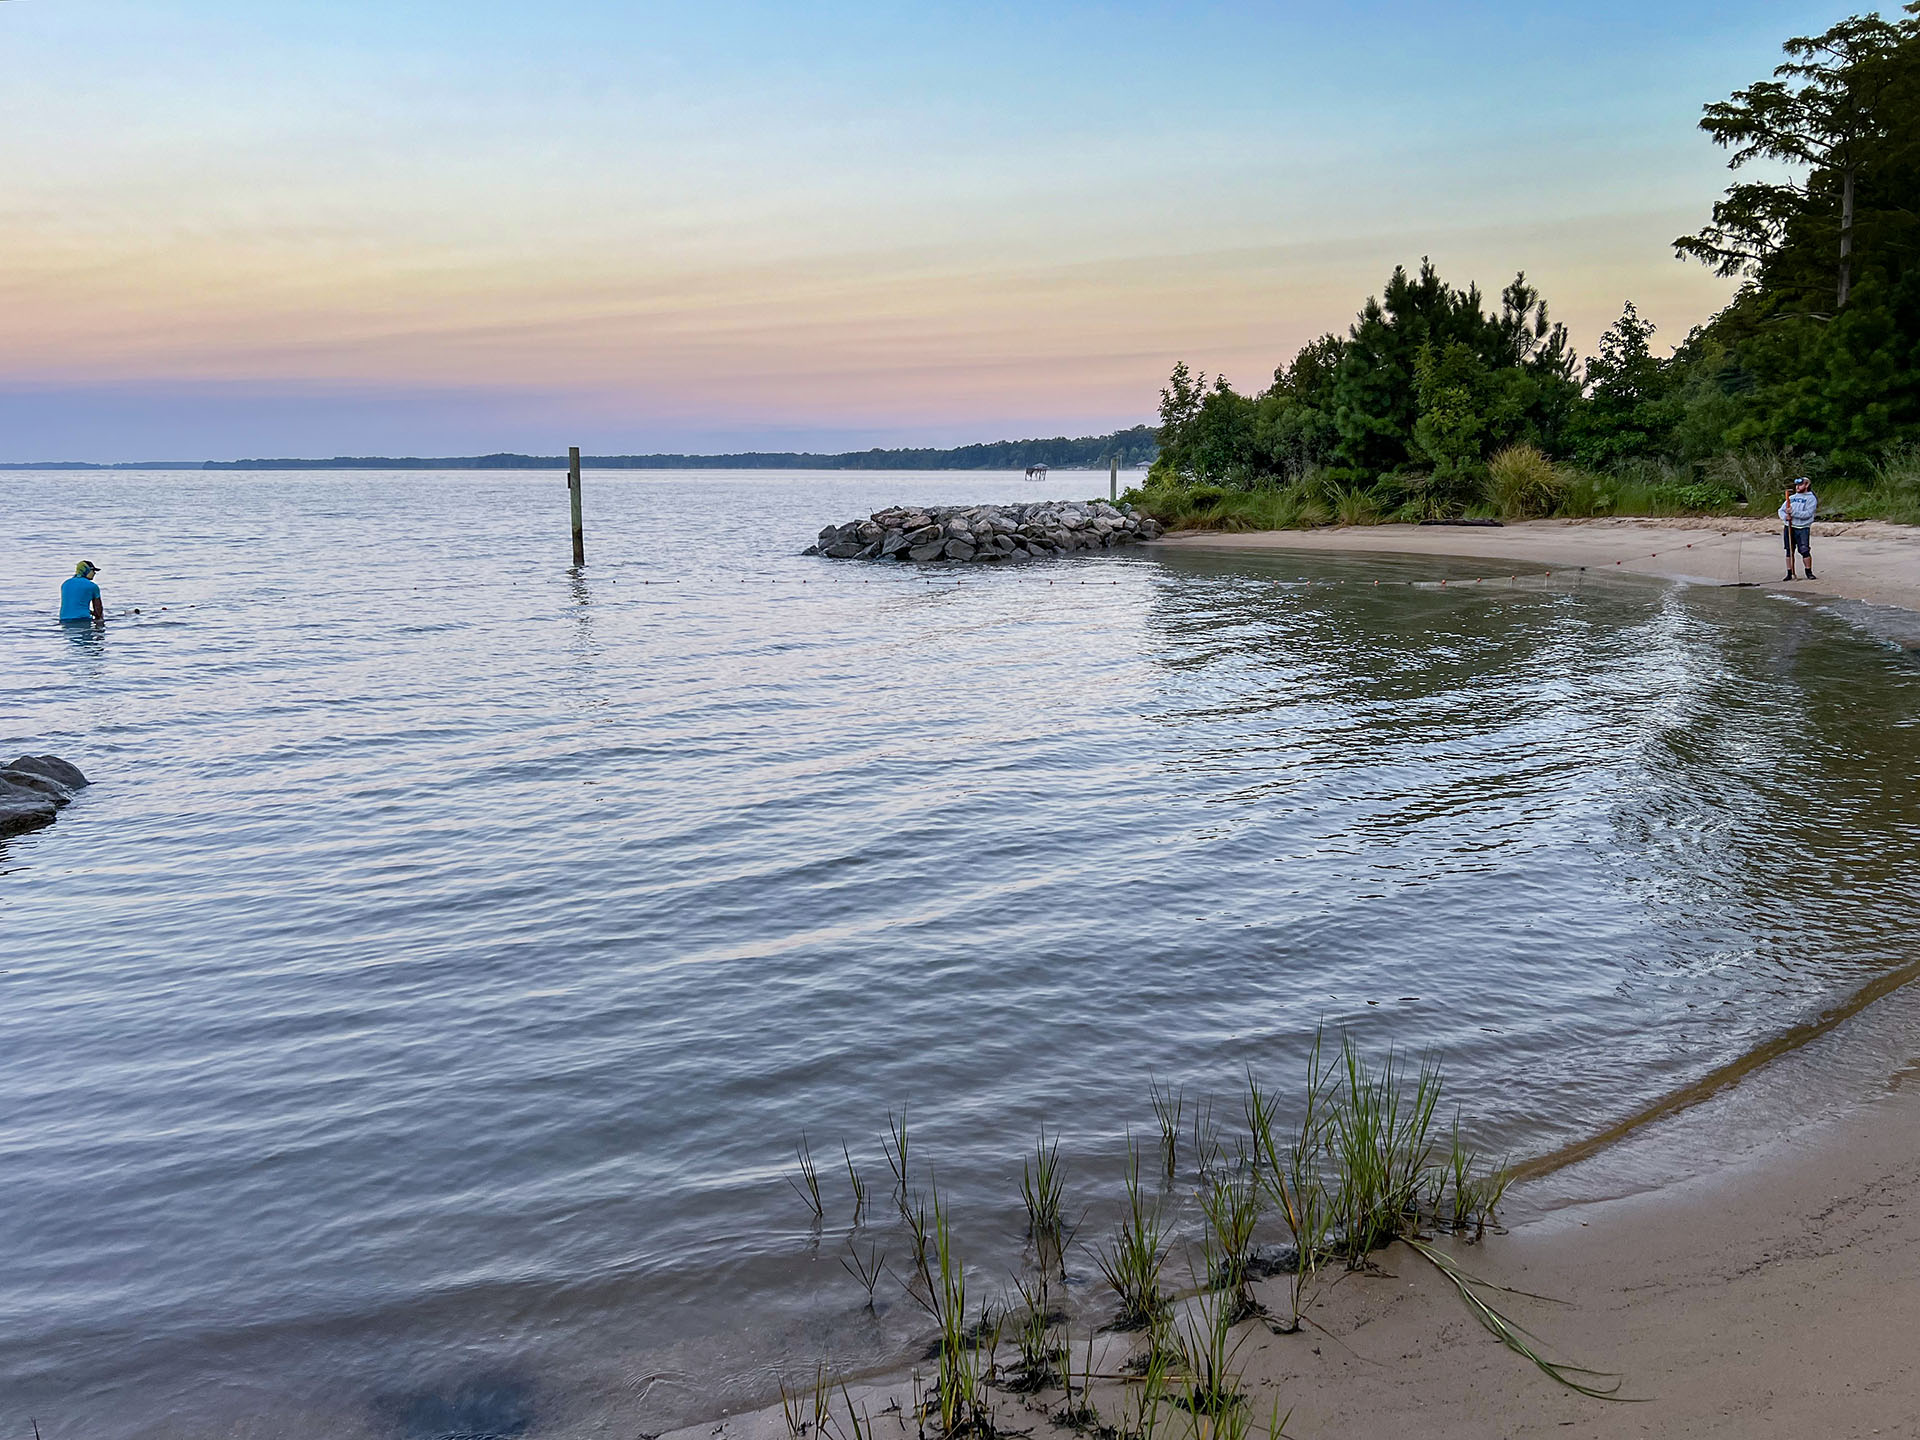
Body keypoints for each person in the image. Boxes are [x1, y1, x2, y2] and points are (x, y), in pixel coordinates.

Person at [1778, 477, 1817, 580]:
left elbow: (1808, 514)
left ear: (1807, 485)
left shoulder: (1811, 498)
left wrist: (1793, 513)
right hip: (1789, 527)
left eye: (1800, 485)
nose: (1797, 487)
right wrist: (1785, 517)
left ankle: (1808, 572)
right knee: (1789, 550)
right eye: (1797, 485)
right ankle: (1789, 572)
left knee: (1804, 550)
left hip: (1802, 528)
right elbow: (1781, 510)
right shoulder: (1791, 498)